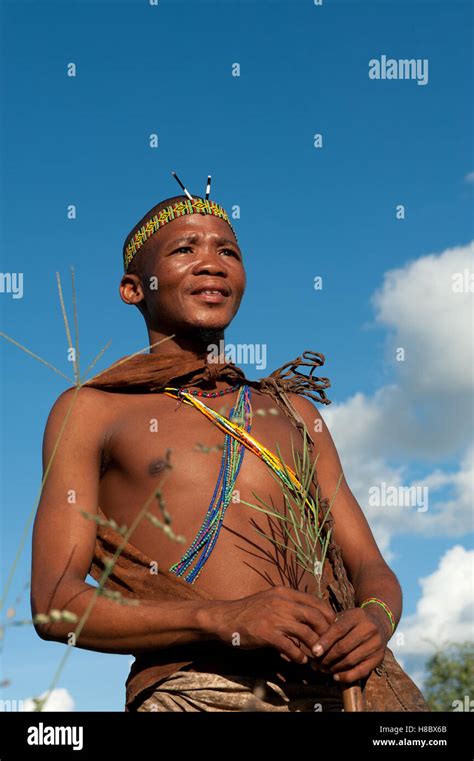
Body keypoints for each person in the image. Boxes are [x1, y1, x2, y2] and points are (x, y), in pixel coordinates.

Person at [31, 179, 428, 712]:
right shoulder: (91, 410)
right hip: (198, 690)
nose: (212, 262)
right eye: (184, 249)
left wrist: (375, 618)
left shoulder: (293, 412)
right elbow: (55, 604)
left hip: (339, 690)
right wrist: (221, 618)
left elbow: (370, 567)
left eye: (228, 251)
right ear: (133, 287)